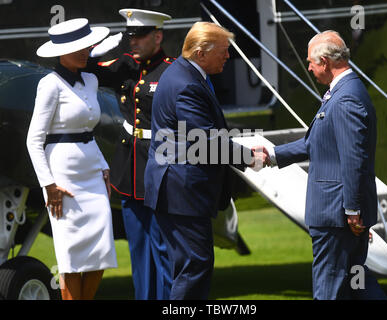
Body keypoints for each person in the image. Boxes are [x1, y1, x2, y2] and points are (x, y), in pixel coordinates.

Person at [255, 30, 387, 300]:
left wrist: (351, 209)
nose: (309, 68)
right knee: (357, 284)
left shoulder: (346, 98)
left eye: (311, 62)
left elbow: (353, 158)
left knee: (329, 289)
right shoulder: (343, 92)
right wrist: (273, 154)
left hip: (337, 215)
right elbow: (319, 142)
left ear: (325, 61)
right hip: (340, 213)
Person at [144, 21, 255, 300]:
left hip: (178, 189)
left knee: (190, 267)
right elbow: (205, 141)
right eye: (223, 51)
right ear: (201, 53)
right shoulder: (186, 85)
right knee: (194, 268)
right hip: (182, 191)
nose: (228, 57)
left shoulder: (185, 75)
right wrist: (249, 157)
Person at [85, 9, 173, 300]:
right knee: (138, 246)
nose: (133, 42)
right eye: (130, 36)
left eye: (140, 36)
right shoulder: (124, 65)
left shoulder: (173, 70)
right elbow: (86, 71)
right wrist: (98, 50)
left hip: (160, 164)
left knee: (163, 247)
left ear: (157, 36)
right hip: (129, 166)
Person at [26, 18, 117, 300]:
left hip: (94, 173)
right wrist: (49, 185)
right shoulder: (49, 84)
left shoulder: (91, 79)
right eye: (77, 46)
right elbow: (34, 140)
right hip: (62, 178)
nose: (85, 50)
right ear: (60, 51)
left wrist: (103, 166)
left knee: (101, 252)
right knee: (71, 256)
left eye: (86, 45)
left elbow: (88, 132)